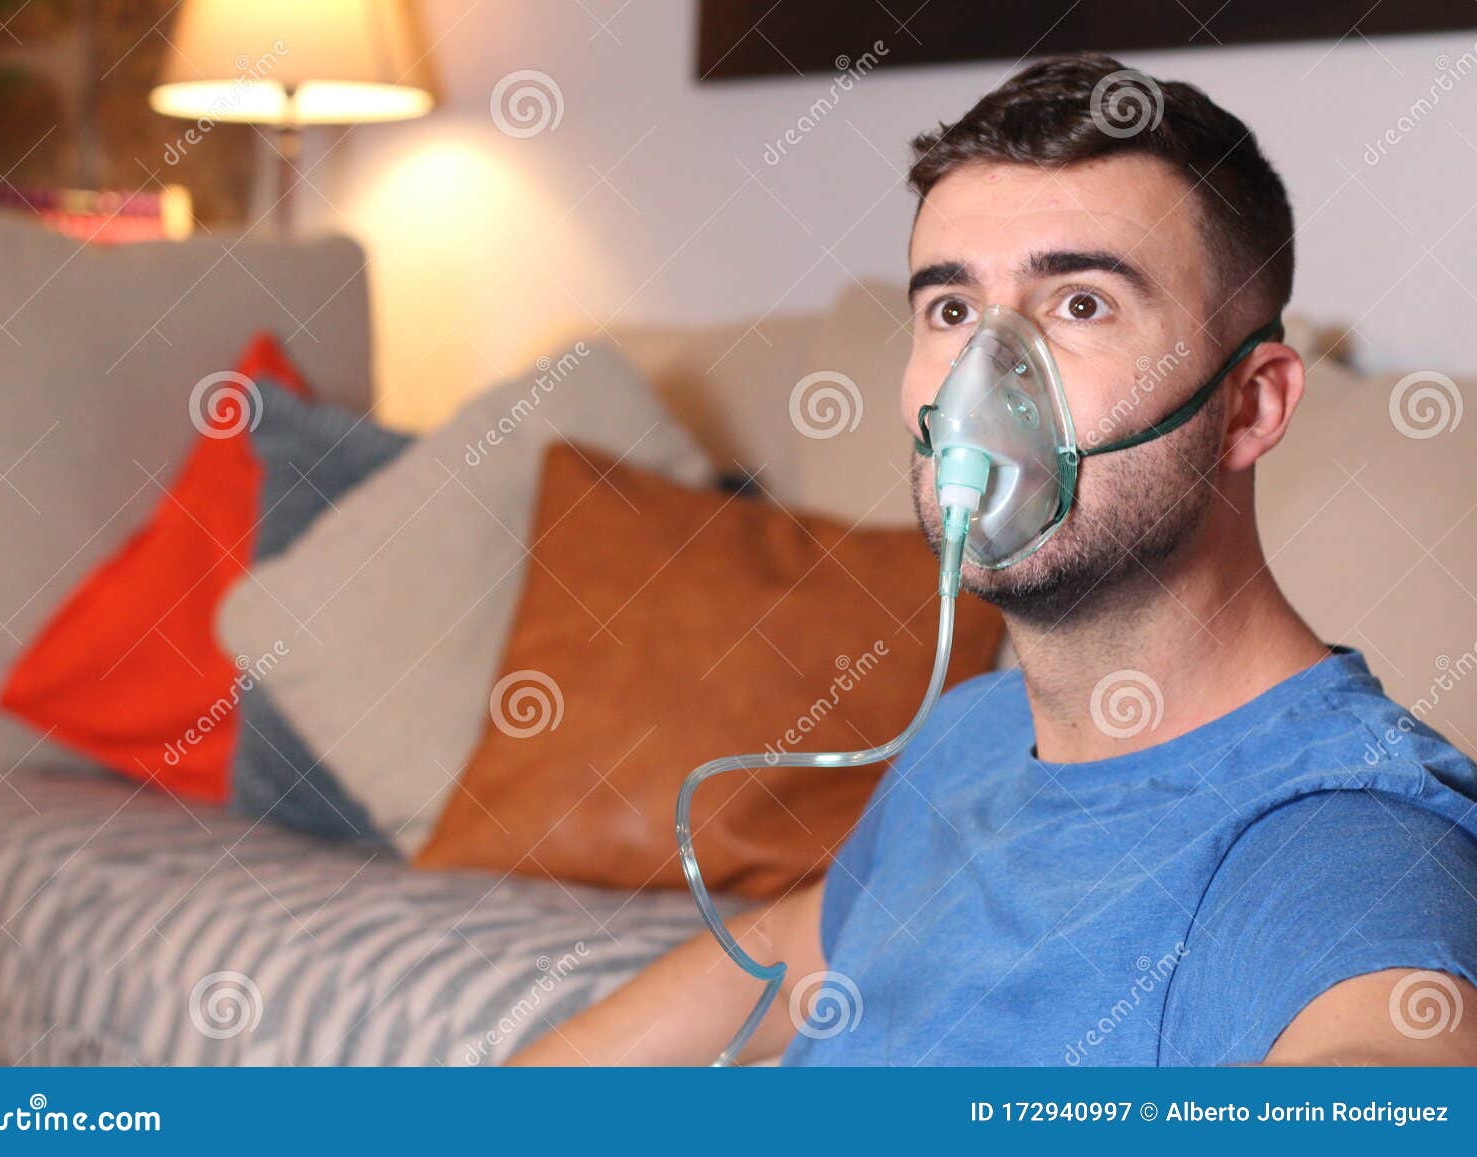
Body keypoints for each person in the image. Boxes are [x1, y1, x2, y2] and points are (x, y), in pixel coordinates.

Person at [511, 51, 1477, 1067]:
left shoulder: (1345, 846)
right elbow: (803, 948)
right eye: (952, 310)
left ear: (1251, 404)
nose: (983, 382)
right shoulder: (974, 730)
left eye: (1081, 304)